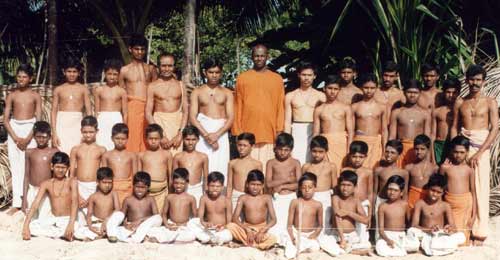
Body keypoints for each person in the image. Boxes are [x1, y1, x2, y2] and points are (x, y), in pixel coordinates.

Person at [451, 64, 498, 245]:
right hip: (462, 147)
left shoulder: (490, 102)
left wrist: (480, 152)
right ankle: (464, 228)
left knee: (480, 188)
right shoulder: (460, 102)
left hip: (481, 148)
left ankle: (479, 232)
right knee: (463, 188)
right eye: (472, 79)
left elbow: (494, 129)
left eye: (478, 80)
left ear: (484, 81)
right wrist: (455, 150)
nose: (475, 83)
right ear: (467, 80)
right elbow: (454, 127)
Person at [232, 44, 285, 169]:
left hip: (270, 133)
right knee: (248, 172)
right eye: (256, 56)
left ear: (267, 56)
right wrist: (237, 131)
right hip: (248, 133)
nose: (259, 59)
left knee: (268, 171)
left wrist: (279, 130)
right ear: (252, 57)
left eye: (262, 56)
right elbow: (237, 105)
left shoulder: (277, 79)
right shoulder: (243, 78)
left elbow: (280, 106)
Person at [4, 64, 42, 214]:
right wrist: (15, 138)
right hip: (14, 129)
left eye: (24, 76)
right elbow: (6, 119)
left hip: (30, 129)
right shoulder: (12, 95)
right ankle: (17, 203)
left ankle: (29, 200)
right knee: (16, 166)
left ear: (30, 78)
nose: (21, 79)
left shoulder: (35, 96)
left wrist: (27, 138)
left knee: (29, 166)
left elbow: (38, 120)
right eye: (19, 76)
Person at [189, 59, 233, 179]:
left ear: (221, 73)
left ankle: (220, 196)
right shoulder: (197, 92)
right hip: (203, 132)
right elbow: (192, 117)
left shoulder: (227, 93)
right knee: (201, 165)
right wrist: (207, 135)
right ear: (205, 72)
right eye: (211, 72)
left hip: (221, 133)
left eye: (217, 72)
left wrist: (217, 135)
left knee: (221, 166)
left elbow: (230, 118)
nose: (214, 75)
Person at [283, 173, 342, 258]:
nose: (307, 190)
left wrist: (314, 235)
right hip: (297, 234)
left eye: (310, 187)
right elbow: (289, 225)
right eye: (304, 187)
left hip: (311, 235)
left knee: (333, 250)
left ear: (315, 188)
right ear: (300, 188)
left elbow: (320, 226)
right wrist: (292, 238)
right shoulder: (295, 202)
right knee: (289, 253)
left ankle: (306, 247)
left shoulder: (318, 204)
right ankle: (301, 247)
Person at [22, 152, 78, 241]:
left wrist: (71, 224)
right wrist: (25, 226)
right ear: (52, 166)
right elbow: (35, 203)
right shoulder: (46, 184)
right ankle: (62, 234)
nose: (60, 170)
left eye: (63, 168)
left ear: (68, 168)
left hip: (67, 219)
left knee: (77, 230)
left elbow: (75, 202)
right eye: (58, 167)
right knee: (32, 226)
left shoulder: (72, 182)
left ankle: (65, 232)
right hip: (53, 220)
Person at [409, 174, 466, 256]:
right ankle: (435, 248)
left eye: (438, 192)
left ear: (443, 193)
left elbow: (454, 227)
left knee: (461, 236)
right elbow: (414, 225)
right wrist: (428, 230)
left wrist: (448, 229)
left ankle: (431, 248)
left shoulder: (445, 206)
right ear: (428, 188)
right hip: (425, 234)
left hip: (440, 235)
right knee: (411, 231)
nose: (435, 194)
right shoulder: (420, 204)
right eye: (433, 190)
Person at [119, 34, 157, 152]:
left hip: (148, 108)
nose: (139, 52)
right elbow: (121, 92)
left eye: (142, 49)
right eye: (136, 49)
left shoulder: (151, 69)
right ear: (130, 49)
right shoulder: (124, 70)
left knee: (148, 138)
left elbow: (156, 89)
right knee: (132, 139)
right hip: (132, 108)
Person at [146, 53, 188, 156]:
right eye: (164, 66)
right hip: (159, 124)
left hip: (176, 126)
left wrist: (180, 134)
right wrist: (159, 134)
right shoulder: (152, 86)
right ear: (159, 67)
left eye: (170, 66)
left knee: (176, 162)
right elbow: (148, 112)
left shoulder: (180, 85)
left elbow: (186, 111)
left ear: (174, 66)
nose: (167, 69)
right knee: (159, 161)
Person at [284, 62, 325, 164]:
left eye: (309, 75)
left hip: (314, 129)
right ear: (298, 75)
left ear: (314, 76)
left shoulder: (321, 96)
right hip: (297, 129)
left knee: (313, 161)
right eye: (304, 75)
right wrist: (286, 141)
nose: (306, 78)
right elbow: (287, 121)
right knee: (296, 160)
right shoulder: (290, 95)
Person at [226, 170, 278, 250]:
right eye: (252, 184)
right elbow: (235, 218)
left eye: (258, 185)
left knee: (274, 238)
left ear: (263, 185)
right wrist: (247, 230)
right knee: (230, 226)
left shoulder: (267, 198)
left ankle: (248, 244)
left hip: (261, 230)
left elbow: (274, 219)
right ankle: (255, 245)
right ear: (247, 184)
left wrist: (262, 231)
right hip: (247, 229)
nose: (255, 187)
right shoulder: (243, 198)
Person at [105, 171, 162, 243]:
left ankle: (136, 238)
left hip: (145, 226)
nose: (139, 190)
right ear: (133, 186)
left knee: (158, 218)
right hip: (131, 227)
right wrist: (125, 224)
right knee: (118, 214)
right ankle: (112, 235)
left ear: (148, 188)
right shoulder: (128, 200)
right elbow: (122, 217)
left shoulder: (150, 199)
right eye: (137, 187)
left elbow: (155, 217)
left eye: (143, 187)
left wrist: (140, 221)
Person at [440, 136, 477, 245]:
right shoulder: (445, 168)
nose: (458, 155)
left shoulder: (469, 170)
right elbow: (439, 189)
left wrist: (473, 215)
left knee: (462, 238)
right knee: (449, 232)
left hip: (465, 205)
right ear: (451, 151)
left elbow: (473, 193)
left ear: (467, 152)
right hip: (449, 203)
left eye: (462, 152)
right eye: (455, 152)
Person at [51, 59, 92, 155]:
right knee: (62, 152)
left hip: (78, 123)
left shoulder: (83, 89)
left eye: (74, 72)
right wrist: (54, 133)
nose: (72, 74)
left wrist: (87, 130)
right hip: (62, 123)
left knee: (77, 152)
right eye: (69, 71)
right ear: (64, 72)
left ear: (79, 73)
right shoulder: (58, 89)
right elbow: (53, 111)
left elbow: (89, 111)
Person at [69, 116, 106, 222]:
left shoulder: (101, 150)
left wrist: (93, 196)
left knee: (94, 218)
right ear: (81, 131)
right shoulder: (76, 149)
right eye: (85, 132)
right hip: (79, 187)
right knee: (79, 221)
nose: (88, 135)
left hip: (94, 188)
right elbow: (71, 175)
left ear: (97, 131)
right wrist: (78, 195)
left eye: (91, 132)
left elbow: (103, 176)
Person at [313, 75, 353, 170]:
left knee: (341, 171)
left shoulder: (345, 108)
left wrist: (349, 151)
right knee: (326, 171)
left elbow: (351, 132)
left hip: (341, 144)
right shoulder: (319, 109)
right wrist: (315, 150)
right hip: (325, 145)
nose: (332, 91)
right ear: (324, 88)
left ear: (339, 90)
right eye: (330, 88)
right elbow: (315, 133)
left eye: (335, 89)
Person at [147, 168, 197, 244]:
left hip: (184, 227)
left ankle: (168, 239)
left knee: (192, 235)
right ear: (172, 182)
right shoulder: (169, 197)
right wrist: (167, 225)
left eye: (182, 183)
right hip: (171, 225)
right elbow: (164, 214)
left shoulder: (191, 198)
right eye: (176, 183)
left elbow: (195, 216)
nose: (178, 186)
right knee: (153, 230)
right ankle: (172, 238)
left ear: (187, 183)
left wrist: (187, 224)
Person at [265, 133, 301, 235]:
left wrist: (282, 186)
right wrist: (286, 179)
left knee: (289, 225)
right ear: (275, 148)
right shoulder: (271, 163)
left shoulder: (295, 163)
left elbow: (299, 184)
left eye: (286, 150)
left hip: (290, 197)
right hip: (276, 198)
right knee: (274, 228)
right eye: (280, 149)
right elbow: (268, 184)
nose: (282, 153)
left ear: (291, 150)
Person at [389, 79, 431, 168]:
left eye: (415, 93)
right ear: (404, 92)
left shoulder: (425, 114)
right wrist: (391, 153)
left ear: (420, 93)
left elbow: (427, 138)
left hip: (418, 150)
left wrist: (428, 156)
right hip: (401, 150)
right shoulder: (397, 112)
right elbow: (392, 136)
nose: (412, 95)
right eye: (409, 92)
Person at [22, 121, 58, 219]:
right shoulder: (29, 152)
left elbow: (57, 176)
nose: (41, 140)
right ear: (34, 136)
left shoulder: (54, 152)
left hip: (47, 191)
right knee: (30, 219)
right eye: (38, 137)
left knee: (45, 220)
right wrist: (24, 199)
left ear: (49, 137)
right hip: (32, 190)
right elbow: (26, 176)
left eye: (44, 137)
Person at [376, 175, 419, 257]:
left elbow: (409, 223)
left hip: (401, 236)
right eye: (390, 189)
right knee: (380, 247)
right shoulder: (382, 206)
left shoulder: (405, 205)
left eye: (395, 190)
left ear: (401, 192)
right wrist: (388, 240)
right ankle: (399, 250)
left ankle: (400, 249)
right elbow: (380, 230)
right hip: (387, 236)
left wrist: (406, 234)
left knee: (415, 244)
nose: (392, 192)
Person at [301, 136, 337, 234]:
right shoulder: (306, 167)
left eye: (321, 152)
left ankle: (325, 240)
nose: (317, 154)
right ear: (310, 150)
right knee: (312, 221)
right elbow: (301, 186)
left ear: (326, 151)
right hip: (310, 197)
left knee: (325, 223)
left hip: (326, 197)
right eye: (314, 151)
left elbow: (335, 187)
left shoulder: (331, 166)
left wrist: (335, 205)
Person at [352, 73, 388, 169]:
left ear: (377, 88)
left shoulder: (382, 107)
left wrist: (384, 150)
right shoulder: (355, 107)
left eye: (372, 88)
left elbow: (384, 130)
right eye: (366, 87)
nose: (369, 91)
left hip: (375, 142)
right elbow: (351, 130)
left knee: (374, 170)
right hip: (359, 142)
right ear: (361, 87)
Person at [373, 140, 409, 236]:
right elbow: (374, 191)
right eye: (387, 151)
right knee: (379, 232)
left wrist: (404, 208)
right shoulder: (378, 170)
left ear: (399, 154)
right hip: (381, 201)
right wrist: (373, 207)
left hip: (396, 204)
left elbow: (404, 194)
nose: (389, 155)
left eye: (393, 153)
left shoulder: (403, 173)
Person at [330, 170, 371, 253]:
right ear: (338, 185)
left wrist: (349, 213)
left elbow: (366, 220)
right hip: (337, 235)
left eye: (349, 185)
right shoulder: (335, 198)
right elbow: (338, 219)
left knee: (367, 244)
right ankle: (352, 250)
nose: (345, 188)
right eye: (343, 185)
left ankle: (346, 248)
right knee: (324, 241)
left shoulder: (356, 201)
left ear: (355, 187)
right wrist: (342, 239)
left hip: (352, 235)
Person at [189, 171, 233, 245]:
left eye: (218, 186)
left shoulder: (227, 200)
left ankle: (211, 239)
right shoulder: (204, 199)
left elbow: (229, 222)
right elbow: (199, 218)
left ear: (222, 187)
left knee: (228, 234)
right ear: (207, 186)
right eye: (212, 186)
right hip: (208, 229)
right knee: (192, 222)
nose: (215, 188)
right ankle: (211, 239)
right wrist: (205, 223)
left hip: (221, 230)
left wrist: (223, 227)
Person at [94, 59, 127, 151]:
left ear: (119, 75)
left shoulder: (122, 91)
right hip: (102, 119)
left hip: (116, 118)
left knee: (115, 145)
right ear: (105, 74)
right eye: (109, 74)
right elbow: (96, 111)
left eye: (115, 74)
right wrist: (95, 125)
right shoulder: (99, 90)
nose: (112, 77)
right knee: (101, 143)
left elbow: (125, 112)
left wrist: (124, 126)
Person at [342, 141, 372, 243]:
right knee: (349, 228)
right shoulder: (344, 170)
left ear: (366, 156)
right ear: (350, 156)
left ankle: (361, 245)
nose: (357, 159)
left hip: (363, 204)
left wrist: (370, 214)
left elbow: (370, 193)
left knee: (362, 232)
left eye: (360, 157)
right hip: (348, 203)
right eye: (354, 156)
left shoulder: (368, 172)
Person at [79, 167, 120, 240]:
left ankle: (105, 233)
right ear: (97, 182)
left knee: (120, 215)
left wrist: (107, 220)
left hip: (109, 222)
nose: (107, 185)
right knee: (79, 232)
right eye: (104, 182)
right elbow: (89, 214)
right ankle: (102, 234)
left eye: (110, 182)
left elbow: (117, 209)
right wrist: (90, 227)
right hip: (97, 222)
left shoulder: (113, 194)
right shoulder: (93, 197)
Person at [138, 124, 172, 211]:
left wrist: (170, 193)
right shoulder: (141, 155)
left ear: (161, 138)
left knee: (160, 219)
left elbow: (170, 175)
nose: (153, 141)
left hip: (162, 192)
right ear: (146, 139)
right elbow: (138, 176)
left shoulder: (167, 154)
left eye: (156, 139)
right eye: (150, 139)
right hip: (146, 193)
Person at [101, 123, 137, 206]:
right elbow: (104, 175)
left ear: (127, 139)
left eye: (123, 139)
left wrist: (133, 190)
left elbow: (135, 175)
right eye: (117, 138)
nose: (120, 141)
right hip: (112, 188)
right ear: (112, 138)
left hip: (127, 189)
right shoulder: (107, 155)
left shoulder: (132, 155)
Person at [172, 126, 209, 205]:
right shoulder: (178, 157)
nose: (190, 142)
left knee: (197, 215)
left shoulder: (203, 157)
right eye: (187, 139)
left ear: (198, 140)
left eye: (193, 139)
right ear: (183, 139)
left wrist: (206, 194)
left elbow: (206, 177)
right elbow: (173, 177)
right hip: (181, 190)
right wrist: (172, 194)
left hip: (197, 189)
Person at [227, 132, 263, 209]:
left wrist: (260, 200)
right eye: (239, 145)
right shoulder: (232, 163)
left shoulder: (257, 164)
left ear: (252, 146)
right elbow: (229, 185)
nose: (241, 148)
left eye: (245, 146)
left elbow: (260, 185)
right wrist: (228, 200)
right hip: (236, 196)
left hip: (251, 196)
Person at [406, 134, 438, 210]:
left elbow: (437, 189)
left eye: (422, 149)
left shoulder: (434, 168)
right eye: (416, 149)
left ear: (428, 149)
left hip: (428, 202)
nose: (419, 152)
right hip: (411, 202)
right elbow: (405, 190)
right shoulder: (409, 167)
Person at [432, 78, 459, 164]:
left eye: (454, 93)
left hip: (456, 146)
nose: (451, 95)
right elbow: (432, 135)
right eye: (448, 92)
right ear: (443, 92)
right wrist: (432, 158)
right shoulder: (437, 111)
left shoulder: (462, 110)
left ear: (458, 93)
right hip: (439, 146)